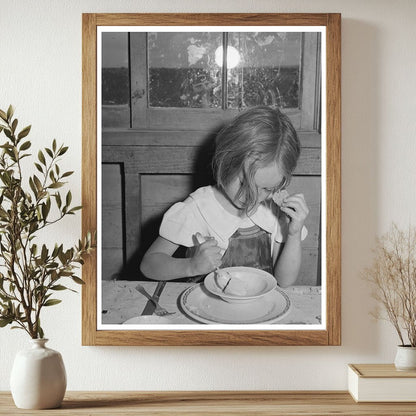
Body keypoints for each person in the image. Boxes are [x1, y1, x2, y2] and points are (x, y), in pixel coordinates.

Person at [140, 106, 309, 287]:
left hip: (257, 311)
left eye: (267, 189)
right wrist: (190, 266)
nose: (253, 197)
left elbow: (284, 281)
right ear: (225, 162)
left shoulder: (274, 211)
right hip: (206, 310)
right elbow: (149, 265)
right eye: (244, 184)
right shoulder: (198, 208)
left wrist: (293, 234)